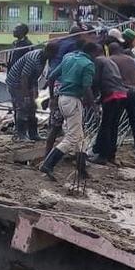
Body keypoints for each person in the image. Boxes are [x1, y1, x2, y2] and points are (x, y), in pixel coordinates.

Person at [40, 42, 98, 181]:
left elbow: (52, 76)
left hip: (62, 99)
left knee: (79, 136)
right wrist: (94, 107)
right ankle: (48, 164)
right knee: (72, 137)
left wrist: (53, 96)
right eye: (97, 53)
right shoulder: (88, 64)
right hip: (73, 100)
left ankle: (81, 169)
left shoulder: (68, 57)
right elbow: (86, 88)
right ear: (92, 52)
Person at [46, 26, 84, 156]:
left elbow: (51, 68)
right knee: (74, 124)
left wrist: (51, 96)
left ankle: (48, 154)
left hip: (55, 81)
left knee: (56, 123)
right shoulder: (74, 48)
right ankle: (71, 155)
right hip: (66, 84)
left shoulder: (60, 41)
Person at [5, 44, 56, 141]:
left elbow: (34, 77)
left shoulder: (43, 60)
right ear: (47, 52)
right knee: (23, 106)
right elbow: (24, 77)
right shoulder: (33, 59)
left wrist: (34, 92)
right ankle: (21, 134)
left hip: (28, 82)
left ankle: (33, 134)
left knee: (32, 107)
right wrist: (26, 96)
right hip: (16, 82)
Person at [91, 46, 129, 165]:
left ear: (96, 52)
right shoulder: (110, 61)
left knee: (106, 126)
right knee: (113, 126)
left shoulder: (98, 61)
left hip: (111, 95)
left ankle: (102, 157)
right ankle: (111, 155)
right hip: (121, 94)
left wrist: (92, 98)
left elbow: (96, 81)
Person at [109, 42, 135, 161]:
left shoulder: (111, 60)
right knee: (134, 121)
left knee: (114, 122)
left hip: (122, 92)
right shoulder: (131, 59)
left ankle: (111, 152)